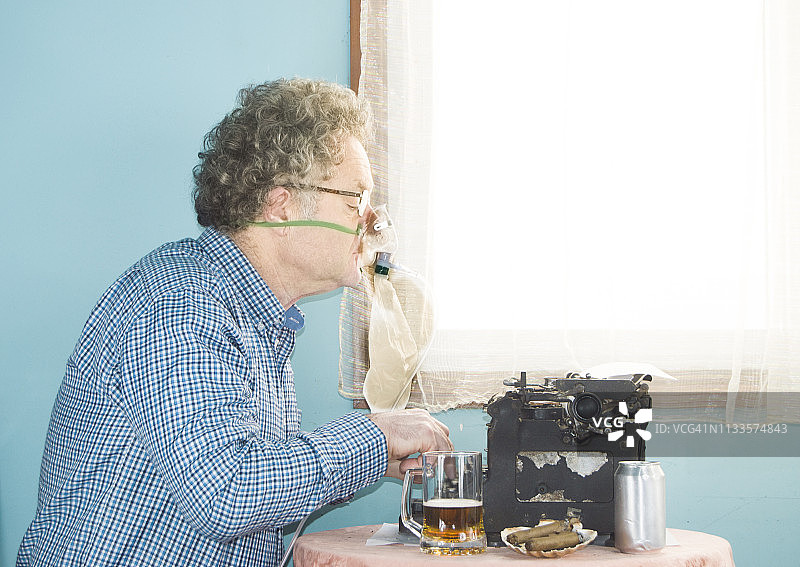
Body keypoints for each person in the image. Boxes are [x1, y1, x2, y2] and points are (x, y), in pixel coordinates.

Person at [17, 78, 452, 566]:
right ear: (281, 204)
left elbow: (250, 495)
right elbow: (225, 493)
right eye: (355, 198)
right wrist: (374, 435)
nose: (372, 221)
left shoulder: (257, 317)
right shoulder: (181, 303)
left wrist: (373, 458)